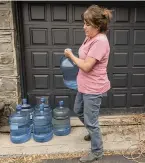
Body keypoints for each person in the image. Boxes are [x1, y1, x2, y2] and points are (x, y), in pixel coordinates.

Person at [64, 5, 112, 163]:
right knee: (78, 110)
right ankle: (93, 132)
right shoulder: (90, 37)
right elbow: (84, 59)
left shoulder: (100, 42)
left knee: (91, 121)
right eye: (84, 23)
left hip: (94, 88)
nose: (83, 27)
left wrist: (71, 55)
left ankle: (97, 151)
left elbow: (86, 66)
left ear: (97, 26)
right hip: (84, 85)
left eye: (87, 24)